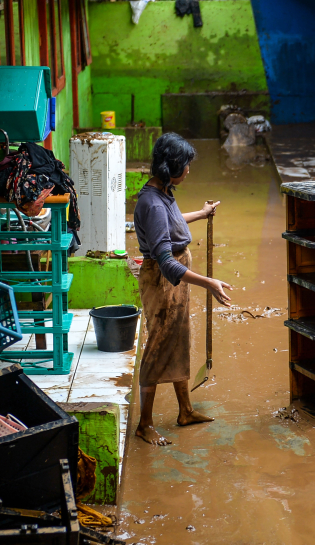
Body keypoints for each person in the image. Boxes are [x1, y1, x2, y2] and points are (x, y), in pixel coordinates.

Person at [133, 133, 234, 445]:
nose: (189, 169)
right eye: (186, 165)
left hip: (176, 279)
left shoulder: (164, 192)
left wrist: (201, 214)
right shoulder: (151, 203)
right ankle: (144, 424)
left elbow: (172, 222)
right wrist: (208, 282)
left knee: (179, 340)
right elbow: (166, 262)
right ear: (170, 168)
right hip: (163, 281)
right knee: (158, 345)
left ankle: (185, 411)